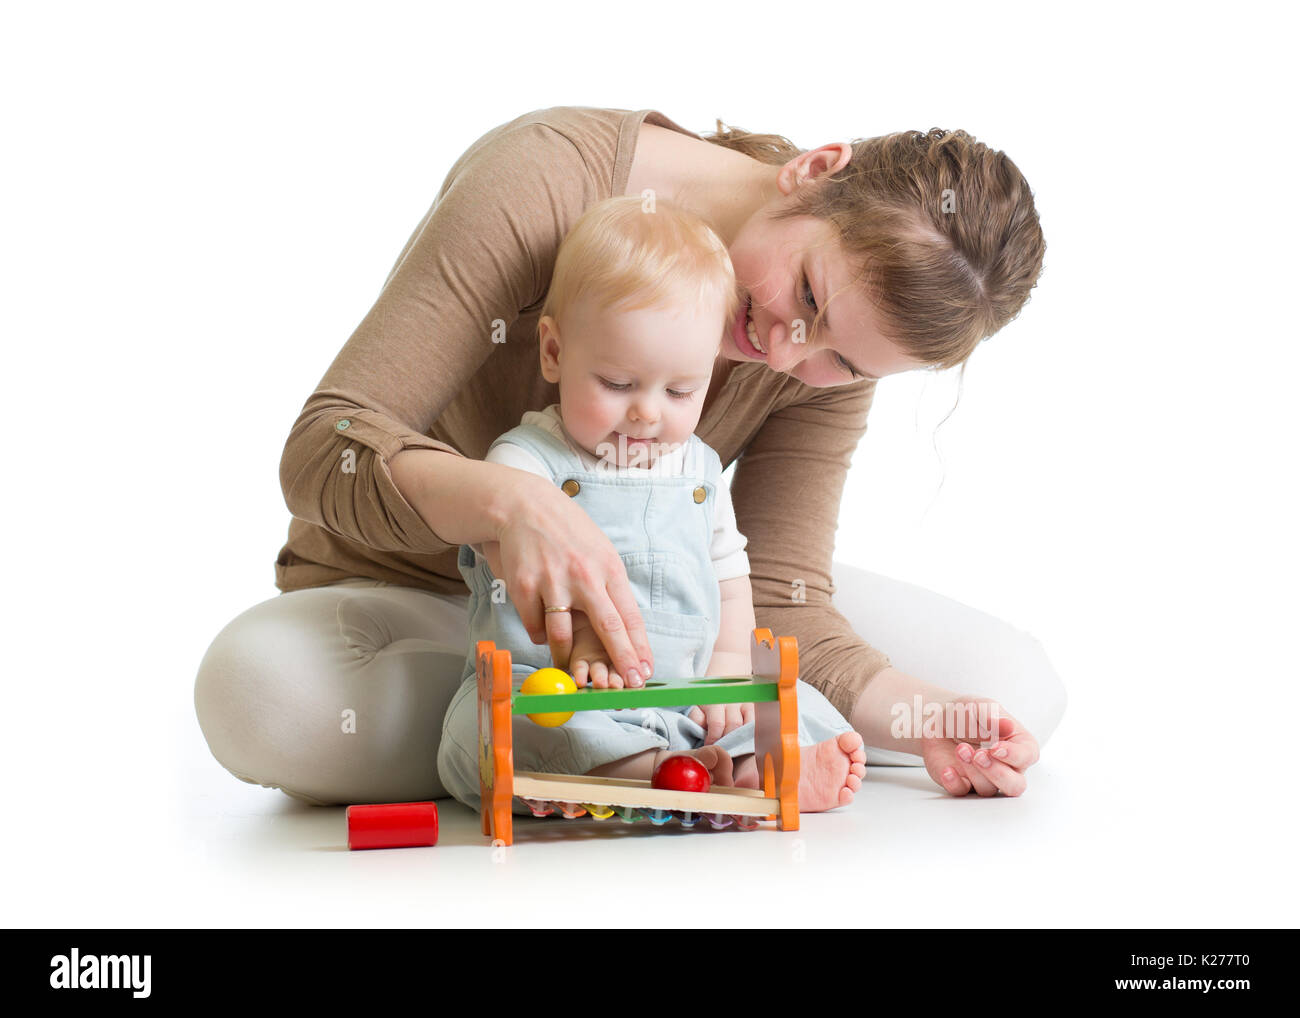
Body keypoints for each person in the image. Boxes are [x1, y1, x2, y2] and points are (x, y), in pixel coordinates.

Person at [194, 106, 1062, 808]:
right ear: (817, 169)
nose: (787, 353)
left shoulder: (834, 347)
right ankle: (568, 738)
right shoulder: (543, 178)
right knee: (260, 693)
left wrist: (921, 719)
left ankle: (615, 750)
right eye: (805, 297)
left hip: (664, 617)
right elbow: (326, 445)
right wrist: (511, 507)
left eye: (842, 362)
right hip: (421, 595)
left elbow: (778, 598)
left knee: (1007, 688)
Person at [436, 196, 867, 816]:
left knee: (796, 698)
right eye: (617, 384)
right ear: (554, 352)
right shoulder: (524, 463)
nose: (646, 412)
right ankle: (651, 772)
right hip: (552, 695)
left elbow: (729, 579)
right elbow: (510, 552)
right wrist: (581, 645)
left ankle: (749, 767)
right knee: (496, 731)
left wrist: (724, 673)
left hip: (683, 697)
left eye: (680, 389)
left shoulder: (700, 471)